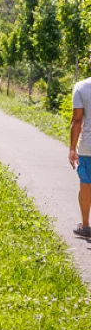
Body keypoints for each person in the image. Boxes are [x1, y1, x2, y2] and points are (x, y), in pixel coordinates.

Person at [69, 65, 91, 237]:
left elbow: (77, 120)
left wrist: (72, 148)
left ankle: (85, 225)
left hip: (88, 147)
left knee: (86, 183)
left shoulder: (82, 87)